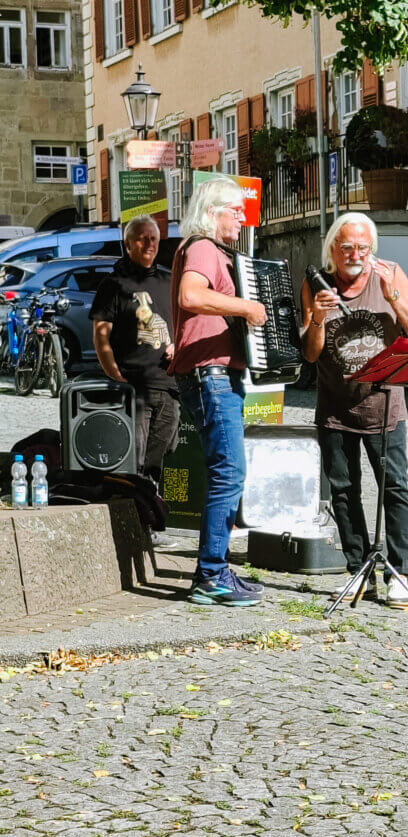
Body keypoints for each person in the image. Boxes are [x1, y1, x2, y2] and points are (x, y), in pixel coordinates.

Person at [300, 211, 408, 610]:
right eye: (346, 247)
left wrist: (393, 295)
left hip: (384, 404)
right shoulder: (316, 283)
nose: (355, 254)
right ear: (332, 251)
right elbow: (310, 353)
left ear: (372, 249)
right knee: (343, 492)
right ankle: (358, 569)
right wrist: (318, 319)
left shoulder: (390, 273)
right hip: (336, 406)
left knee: (394, 488)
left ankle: (398, 572)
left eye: (362, 247)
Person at [168, 176, 267, 607]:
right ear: (213, 213)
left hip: (215, 373)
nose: (242, 217)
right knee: (229, 472)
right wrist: (245, 307)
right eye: (235, 210)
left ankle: (216, 569)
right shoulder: (203, 246)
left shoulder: (213, 250)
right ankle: (211, 574)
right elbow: (191, 295)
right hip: (210, 373)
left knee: (226, 471)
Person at [91, 214, 179, 546]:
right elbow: (101, 337)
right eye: (141, 239)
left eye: (153, 239)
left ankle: (150, 525)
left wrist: (176, 346)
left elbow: (181, 326)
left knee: (155, 461)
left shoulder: (168, 281)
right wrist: (115, 375)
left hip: (168, 386)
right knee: (133, 460)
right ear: (128, 244)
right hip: (134, 388)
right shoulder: (114, 285)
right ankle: (133, 529)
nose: (148, 244)